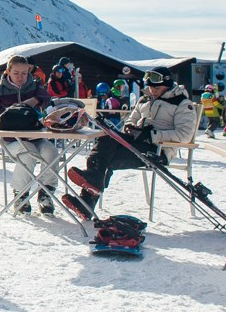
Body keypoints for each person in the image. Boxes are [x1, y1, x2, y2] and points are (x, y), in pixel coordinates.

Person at [62, 66, 196, 220]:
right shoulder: (144, 100)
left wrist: (151, 135)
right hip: (136, 142)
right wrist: (131, 128)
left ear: (168, 84)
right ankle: (92, 187)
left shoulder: (181, 103)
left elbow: (185, 134)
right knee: (107, 137)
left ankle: (87, 200)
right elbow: (131, 120)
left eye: (157, 88)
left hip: (157, 150)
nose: (152, 91)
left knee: (105, 157)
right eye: (150, 87)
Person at [0, 54, 58, 214]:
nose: (20, 77)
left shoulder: (35, 86)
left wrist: (36, 100)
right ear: (8, 72)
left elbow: (47, 98)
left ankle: (46, 193)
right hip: (11, 140)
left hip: (36, 136)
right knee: (27, 152)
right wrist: (2, 110)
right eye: (16, 73)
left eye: (24, 73)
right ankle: (21, 194)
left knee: (51, 151)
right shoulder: (0, 89)